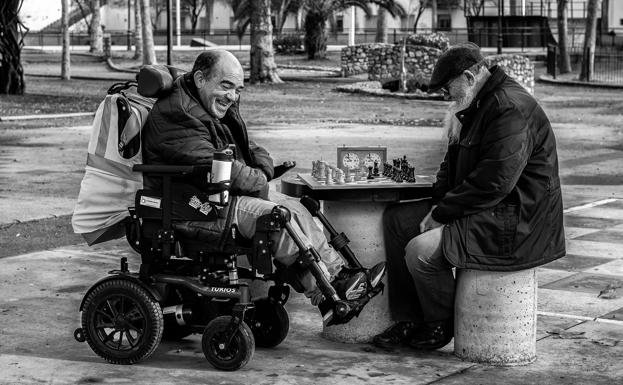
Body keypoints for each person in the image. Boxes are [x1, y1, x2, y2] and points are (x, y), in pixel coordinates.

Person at [141, 49, 385, 319]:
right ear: (200, 79)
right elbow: (223, 168)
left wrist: (259, 171)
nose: (232, 96)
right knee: (278, 219)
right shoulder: (177, 115)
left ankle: (339, 276)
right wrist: (258, 178)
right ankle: (326, 295)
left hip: (215, 196)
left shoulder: (206, 104)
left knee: (298, 208)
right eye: (226, 86)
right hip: (193, 205)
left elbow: (251, 149)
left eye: (237, 89)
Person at [372, 42, 566, 350]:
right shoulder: (473, 104)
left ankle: (440, 324)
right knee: (398, 220)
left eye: (447, 86)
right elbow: (450, 164)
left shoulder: (508, 108)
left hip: (513, 220)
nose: (444, 94)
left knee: (420, 251)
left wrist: (441, 214)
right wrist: (437, 202)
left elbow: (494, 182)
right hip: (484, 208)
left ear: (468, 77)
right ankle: (410, 318)